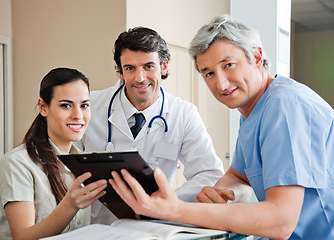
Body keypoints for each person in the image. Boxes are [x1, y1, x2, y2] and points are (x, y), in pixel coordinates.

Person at [109, 15, 334, 239]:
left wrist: (176, 209)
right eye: (209, 73)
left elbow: (280, 221)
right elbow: (240, 176)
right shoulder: (254, 111)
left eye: (228, 65)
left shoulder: (285, 107)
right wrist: (219, 193)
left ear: (257, 57)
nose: (221, 84)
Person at [78, 27, 224, 204]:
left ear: (164, 66)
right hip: (95, 224)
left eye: (148, 66)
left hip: (153, 224)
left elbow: (209, 173)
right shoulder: (88, 105)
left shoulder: (183, 113)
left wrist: (166, 201)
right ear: (120, 72)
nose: (140, 78)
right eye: (130, 68)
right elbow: (62, 162)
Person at [0, 68, 108, 240]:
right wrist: (70, 204)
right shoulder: (16, 164)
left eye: (84, 105)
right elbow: (22, 237)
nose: (78, 115)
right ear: (43, 107)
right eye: (66, 105)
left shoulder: (84, 163)